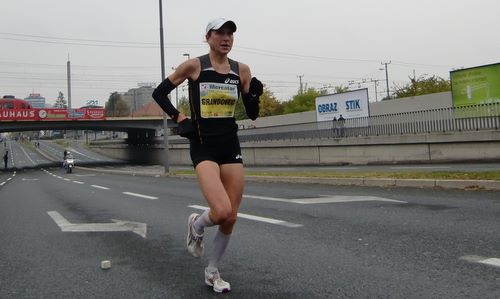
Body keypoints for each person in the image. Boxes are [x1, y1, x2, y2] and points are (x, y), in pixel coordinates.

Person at [152, 18, 263, 293]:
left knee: (231, 217)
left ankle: (212, 271)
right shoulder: (195, 66)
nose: (226, 38)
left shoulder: (242, 70)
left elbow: (252, 113)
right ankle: (197, 224)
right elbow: (160, 92)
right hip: (203, 145)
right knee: (221, 210)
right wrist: (179, 117)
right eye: (220, 33)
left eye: (230, 34)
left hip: (230, 145)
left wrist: (254, 97)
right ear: (208, 37)